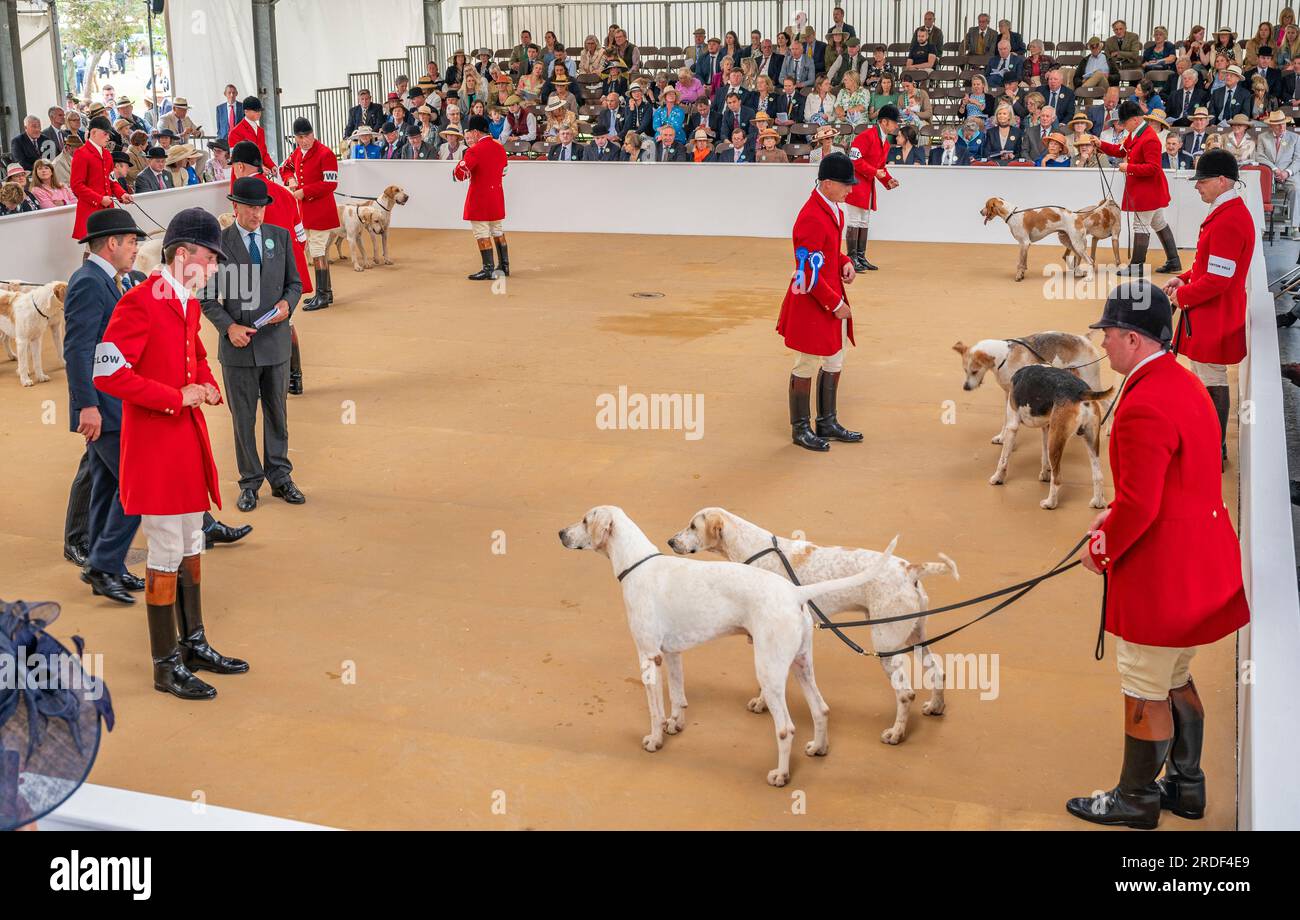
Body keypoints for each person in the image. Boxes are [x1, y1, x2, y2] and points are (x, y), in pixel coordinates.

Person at [1067, 281, 1248, 828]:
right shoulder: (1184, 380)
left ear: (1129, 337)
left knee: (1143, 683)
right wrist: (1116, 508)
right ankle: (1187, 787)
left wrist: (1101, 548)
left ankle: (1137, 798)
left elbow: (1142, 507)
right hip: (1204, 561)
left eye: (1107, 335)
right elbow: (1168, 482)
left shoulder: (1143, 401)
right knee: (1176, 674)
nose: (1103, 344)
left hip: (1163, 571)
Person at [93, 208, 249, 701]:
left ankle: (194, 643)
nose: (214, 267)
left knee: (191, 541)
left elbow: (193, 353)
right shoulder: (140, 302)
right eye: (209, 258)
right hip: (156, 445)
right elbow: (106, 373)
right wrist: (172, 395)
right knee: (163, 551)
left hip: (184, 440)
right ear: (182, 255)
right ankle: (166, 666)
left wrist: (204, 380)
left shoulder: (181, 299)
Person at [201, 177, 304, 513]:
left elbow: (295, 284)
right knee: (243, 418)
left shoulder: (281, 237)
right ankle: (249, 482)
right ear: (235, 207)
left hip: (275, 345)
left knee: (277, 414)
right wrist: (229, 327)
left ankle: (280, 477)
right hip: (238, 347)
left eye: (260, 207)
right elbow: (205, 296)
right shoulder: (219, 244)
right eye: (250, 207)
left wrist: (289, 305)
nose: (256, 213)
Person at [63, 208, 149, 605]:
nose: (135, 249)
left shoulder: (106, 280)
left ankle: (101, 562)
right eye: (131, 242)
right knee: (139, 484)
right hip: (102, 407)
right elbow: (77, 349)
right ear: (112, 243)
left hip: (113, 402)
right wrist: (87, 407)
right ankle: (104, 564)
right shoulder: (88, 282)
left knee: (106, 485)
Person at [1164, 149, 1255, 463]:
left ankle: (1214, 449)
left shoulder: (1229, 219)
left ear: (1221, 180)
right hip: (1211, 312)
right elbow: (1209, 269)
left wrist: (1183, 297)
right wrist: (1184, 279)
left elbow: (1218, 281)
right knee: (1205, 377)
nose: (1197, 186)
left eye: (1202, 180)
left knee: (1211, 380)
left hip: (1214, 315)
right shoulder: (1226, 212)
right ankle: (1209, 442)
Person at [776, 152, 859, 453]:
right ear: (826, 183)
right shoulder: (810, 216)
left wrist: (844, 261)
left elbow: (827, 252)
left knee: (836, 356)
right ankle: (800, 428)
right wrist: (835, 304)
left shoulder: (834, 209)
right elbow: (807, 269)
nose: (850, 189)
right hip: (814, 299)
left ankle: (827, 421)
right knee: (807, 361)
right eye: (845, 184)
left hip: (828, 293)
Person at [1097, 100, 1179, 275]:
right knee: (1158, 223)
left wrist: (1129, 168)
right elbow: (1121, 151)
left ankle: (1137, 266)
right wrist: (1100, 145)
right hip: (1148, 189)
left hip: (1147, 190)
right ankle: (1174, 261)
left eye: (1124, 122)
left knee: (1140, 226)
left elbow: (1154, 168)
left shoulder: (1149, 139)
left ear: (1134, 120)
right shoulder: (1136, 134)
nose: (1122, 126)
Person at [282, 117, 339, 311]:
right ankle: (326, 293)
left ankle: (322, 295)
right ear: (295, 138)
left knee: (317, 252)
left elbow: (331, 184)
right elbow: (286, 167)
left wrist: (304, 192)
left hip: (322, 211)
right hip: (307, 211)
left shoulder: (326, 153)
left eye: (307, 136)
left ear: (313, 133)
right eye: (300, 137)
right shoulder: (297, 152)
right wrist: (290, 179)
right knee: (317, 251)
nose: (305, 140)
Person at [453, 114, 509, 280]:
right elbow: (504, 171)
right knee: (497, 230)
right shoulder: (499, 148)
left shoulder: (474, 151)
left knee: (481, 232)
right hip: (496, 195)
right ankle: (504, 266)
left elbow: (460, 175)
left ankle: (488, 268)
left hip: (480, 198)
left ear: (476, 132)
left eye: (471, 132)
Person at [845, 103, 899, 271]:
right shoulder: (865, 136)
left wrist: (888, 180)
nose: (897, 125)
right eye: (894, 122)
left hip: (867, 185)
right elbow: (854, 161)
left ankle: (860, 256)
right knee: (855, 220)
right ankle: (852, 257)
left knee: (864, 221)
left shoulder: (886, 143)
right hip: (856, 185)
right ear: (884, 122)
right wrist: (875, 171)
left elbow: (880, 167)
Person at [68, 116, 131, 241]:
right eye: (105, 133)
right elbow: (76, 186)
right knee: (93, 247)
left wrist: (122, 193)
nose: (108, 137)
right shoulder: (81, 153)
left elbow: (111, 180)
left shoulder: (107, 154)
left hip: (107, 209)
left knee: (107, 247)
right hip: (90, 210)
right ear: (94, 132)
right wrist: (99, 199)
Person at [1257, 110, 1300, 240]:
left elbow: (1298, 159)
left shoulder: (1295, 138)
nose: (1282, 127)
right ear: (1271, 126)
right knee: (1257, 188)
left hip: (1289, 174)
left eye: (1283, 124)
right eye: (1278, 125)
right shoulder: (1262, 137)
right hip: (1269, 173)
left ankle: (1295, 227)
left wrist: (1287, 172)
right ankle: (1259, 225)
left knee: (1296, 188)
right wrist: (1275, 169)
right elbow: (1259, 156)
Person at [227, 96, 274, 178]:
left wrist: (272, 166)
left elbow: (263, 152)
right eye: (255, 111)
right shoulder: (235, 132)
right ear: (246, 111)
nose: (258, 113)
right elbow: (238, 159)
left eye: (260, 110)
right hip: (243, 176)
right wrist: (260, 167)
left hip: (259, 174)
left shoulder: (260, 130)